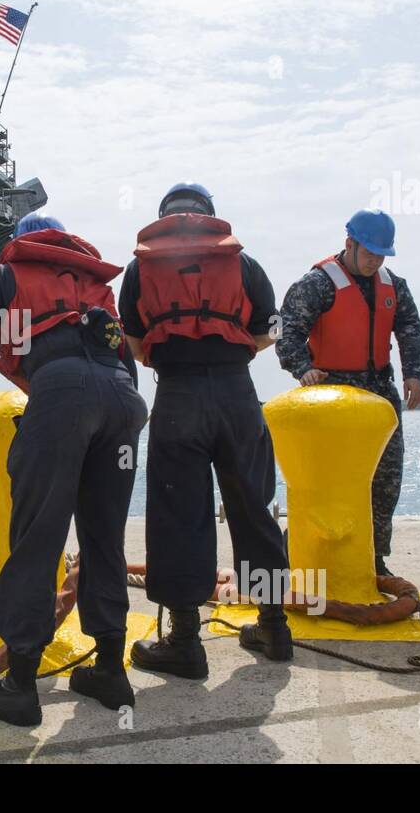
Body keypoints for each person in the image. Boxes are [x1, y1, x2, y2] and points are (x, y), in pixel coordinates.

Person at [0, 213, 147, 726]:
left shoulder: (8, 275)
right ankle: (111, 673)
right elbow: (124, 357)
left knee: (36, 536)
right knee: (104, 539)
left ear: (19, 243)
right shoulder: (93, 283)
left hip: (61, 398)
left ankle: (21, 687)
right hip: (123, 400)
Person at [120, 182, 293, 673]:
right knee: (253, 509)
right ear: (209, 216)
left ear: (164, 217)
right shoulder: (244, 263)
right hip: (238, 395)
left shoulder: (140, 267)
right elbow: (273, 330)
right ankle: (274, 626)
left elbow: (132, 342)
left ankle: (185, 642)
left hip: (177, 396)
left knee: (179, 516)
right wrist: (233, 346)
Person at [275, 209, 420, 577]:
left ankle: (374, 559)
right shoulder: (316, 284)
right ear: (349, 244)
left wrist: (415, 373)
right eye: (370, 252)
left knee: (384, 478)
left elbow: (410, 328)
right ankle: (296, 552)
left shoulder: (395, 285)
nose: (376, 261)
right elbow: (287, 329)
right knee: (325, 481)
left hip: (379, 395)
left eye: (382, 254)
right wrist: (303, 368)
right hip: (331, 394)